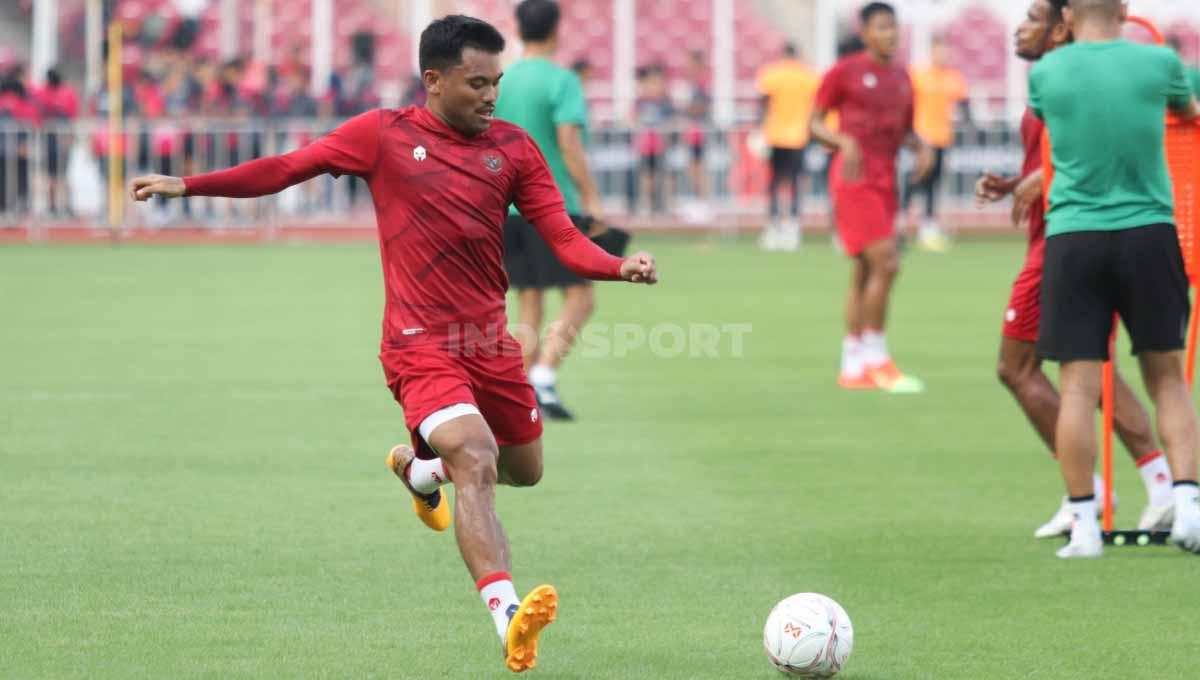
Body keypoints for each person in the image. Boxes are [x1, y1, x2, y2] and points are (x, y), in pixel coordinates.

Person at [129, 15, 659, 668]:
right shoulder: (382, 135)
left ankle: (419, 471)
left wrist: (616, 264)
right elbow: (290, 166)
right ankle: (508, 619)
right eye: (477, 83)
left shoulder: (514, 149)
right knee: (477, 455)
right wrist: (192, 184)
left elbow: (562, 235)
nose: (491, 95)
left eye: (496, 82)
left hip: (488, 342)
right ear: (433, 81)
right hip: (418, 343)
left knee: (525, 470)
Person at [977, 0, 1175, 540]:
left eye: (1035, 16)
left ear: (1064, 26)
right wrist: (1019, 184)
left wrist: (1033, 182)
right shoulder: (1062, 80)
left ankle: (1087, 492)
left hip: (1065, 245)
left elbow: (1080, 151)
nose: (1022, 26)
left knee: (1017, 368)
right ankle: (1157, 484)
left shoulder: (1064, 78)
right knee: (1093, 365)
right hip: (1069, 239)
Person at [1028, 0, 1200, 558]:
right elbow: (1189, 111)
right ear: (1125, 7)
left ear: (1069, 13)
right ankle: (1190, 508)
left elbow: (1057, 122)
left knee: (1078, 386)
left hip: (1074, 237)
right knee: (1168, 380)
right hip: (1149, 233)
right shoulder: (1159, 64)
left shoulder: (1047, 72)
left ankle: (1083, 526)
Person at [495, 0, 611, 421]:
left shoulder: (501, 78)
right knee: (581, 297)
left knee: (529, 301)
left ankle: (525, 394)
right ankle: (543, 376)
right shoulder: (562, 81)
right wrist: (593, 198)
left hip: (507, 204)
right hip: (553, 203)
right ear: (555, 31)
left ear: (518, 28)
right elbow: (569, 143)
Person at [810, 2, 934, 392]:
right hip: (853, 181)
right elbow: (813, 124)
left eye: (893, 27)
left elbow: (905, 131)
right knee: (888, 263)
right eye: (881, 27)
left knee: (866, 270)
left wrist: (923, 146)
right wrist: (843, 140)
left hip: (885, 183)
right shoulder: (844, 73)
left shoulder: (902, 78)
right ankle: (879, 359)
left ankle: (853, 365)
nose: (890, 34)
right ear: (864, 33)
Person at [906, 36, 970, 253]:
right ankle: (898, 221)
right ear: (931, 52)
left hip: (942, 137)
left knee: (933, 183)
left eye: (946, 51)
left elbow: (964, 105)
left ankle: (928, 227)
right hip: (920, 138)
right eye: (939, 51)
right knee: (915, 180)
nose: (942, 55)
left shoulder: (954, 78)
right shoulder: (918, 75)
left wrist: (964, 118)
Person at [756, 43, 820, 251]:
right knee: (795, 181)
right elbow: (816, 104)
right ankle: (793, 224)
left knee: (775, 181)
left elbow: (763, 101)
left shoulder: (772, 73)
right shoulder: (807, 75)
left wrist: (760, 128)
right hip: (799, 135)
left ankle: (774, 224)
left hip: (775, 134)